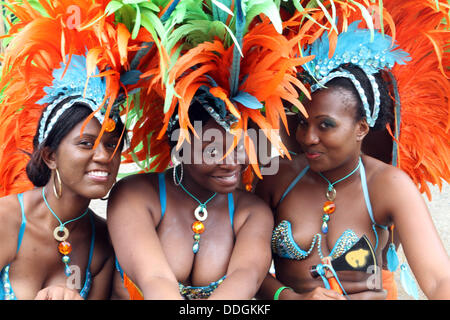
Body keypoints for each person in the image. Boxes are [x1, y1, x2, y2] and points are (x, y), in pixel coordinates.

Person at [108, 1, 308, 299]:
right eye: (213, 149)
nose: (233, 162)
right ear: (180, 145)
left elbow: (246, 278)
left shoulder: (251, 213)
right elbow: (155, 280)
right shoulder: (136, 196)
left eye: (241, 146)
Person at [255, 11, 450, 300]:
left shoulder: (388, 185)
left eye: (326, 125)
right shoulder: (276, 178)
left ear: (361, 127)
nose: (308, 137)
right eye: (303, 123)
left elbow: (438, 279)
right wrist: (291, 298)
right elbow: (245, 268)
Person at [0, 1, 135, 299]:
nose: (104, 156)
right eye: (86, 143)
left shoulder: (103, 241)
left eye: (112, 145)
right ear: (49, 156)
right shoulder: (6, 220)